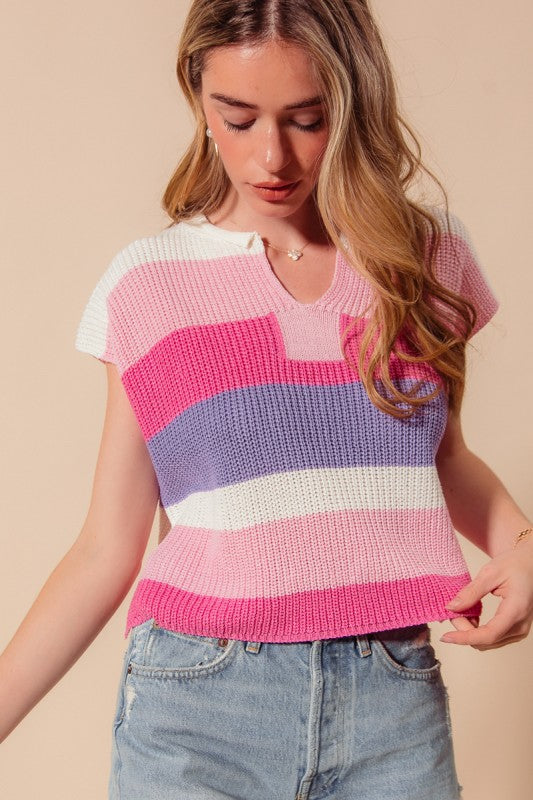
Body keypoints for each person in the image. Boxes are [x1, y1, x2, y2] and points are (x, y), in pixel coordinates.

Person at [1, 1, 532, 798]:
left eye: (307, 120)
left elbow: (441, 456)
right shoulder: (149, 285)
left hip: (391, 704)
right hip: (199, 705)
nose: (272, 155)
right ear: (198, 97)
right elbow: (106, 548)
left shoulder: (423, 259)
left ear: (352, 103)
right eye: (238, 117)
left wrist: (523, 544)